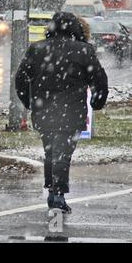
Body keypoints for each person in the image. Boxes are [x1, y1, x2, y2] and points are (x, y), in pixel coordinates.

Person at [15, 12, 109, 214]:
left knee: (51, 151)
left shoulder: (37, 49)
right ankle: (57, 194)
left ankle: (53, 190)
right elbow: (99, 79)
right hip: (72, 110)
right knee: (63, 153)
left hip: (44, 109)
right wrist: (97, 100)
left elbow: (21, 79)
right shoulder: (84, 51)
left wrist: (30, 102)